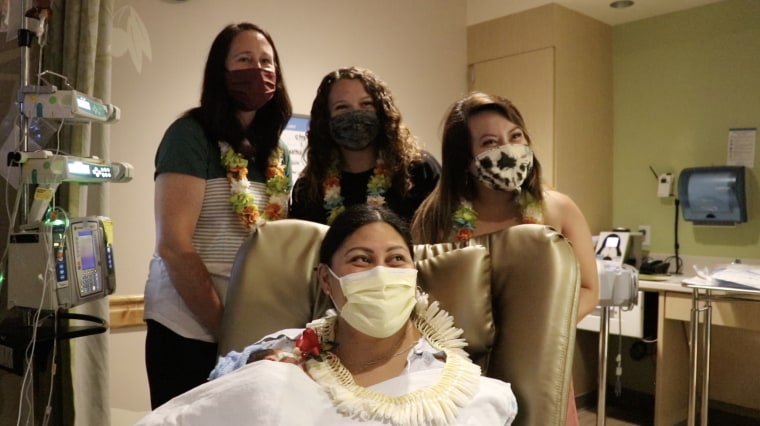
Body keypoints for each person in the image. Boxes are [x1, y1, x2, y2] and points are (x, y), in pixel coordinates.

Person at [136, 205, 517, 426]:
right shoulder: (282, 349)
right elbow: (219, 400)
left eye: (396, 259)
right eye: (361, 260)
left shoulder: (452, 383)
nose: (381, 274)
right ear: (325, 280)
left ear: (413, 275)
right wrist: (260, 368)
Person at [411, 92, 599, 426]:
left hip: (541, 365)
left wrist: (539, 334)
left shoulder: (559, 209)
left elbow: (587, 288)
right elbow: (418, 298)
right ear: (464, 159)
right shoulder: (436, 219)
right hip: (462, 371)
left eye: (515, 136)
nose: (507, 149)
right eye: (489, 142)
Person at [142, 22, 293, 409]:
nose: (258, 70)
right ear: (221, 72)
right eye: (244, 60)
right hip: (187, 329)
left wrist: (252, 333)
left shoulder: (277, 154)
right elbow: (175, 246)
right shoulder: (189, 135)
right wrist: (226, 329)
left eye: (266, 62)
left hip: (250, 332)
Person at [289, 67, 440, 225]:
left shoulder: (419, 170)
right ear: (326, 120)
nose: (355, 113)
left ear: (381, 112)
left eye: (366, 104)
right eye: (342, 107)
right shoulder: (309, 187)